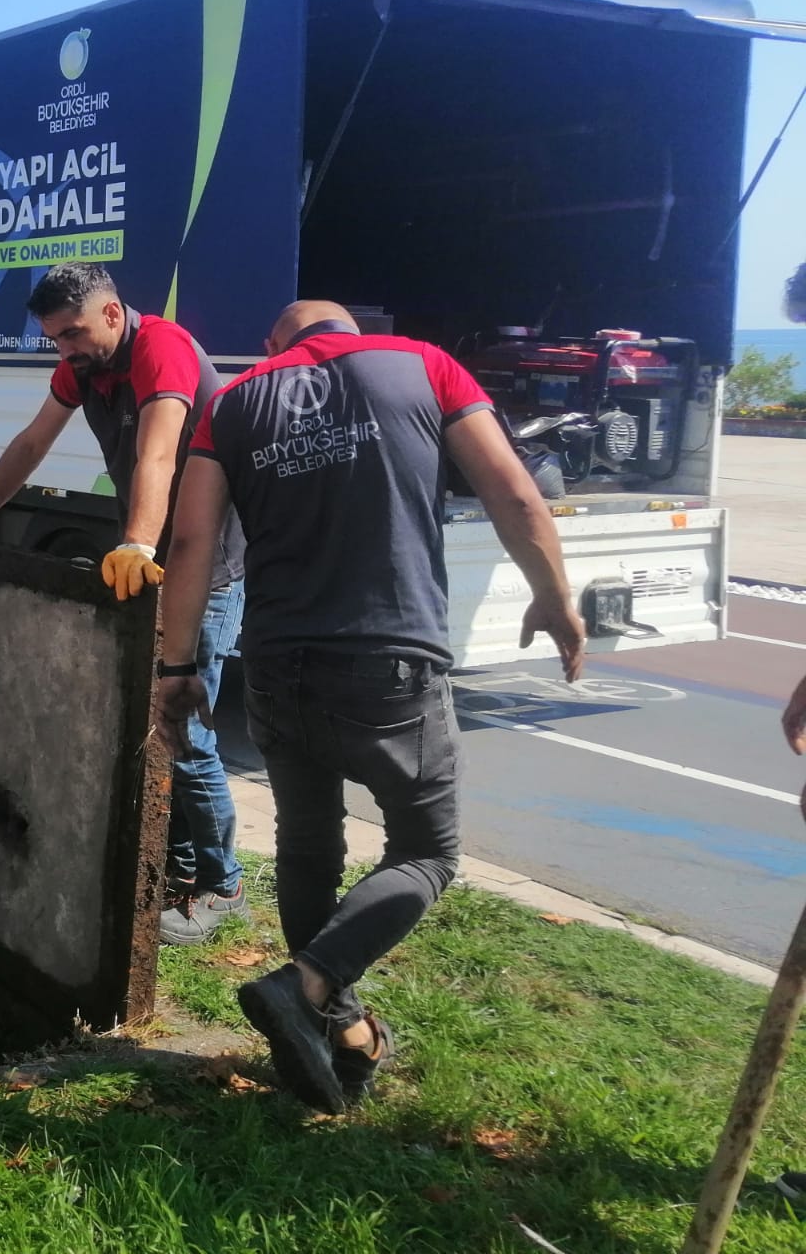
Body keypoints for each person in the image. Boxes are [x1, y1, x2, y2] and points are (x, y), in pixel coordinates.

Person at [156, 299, 585, 1113]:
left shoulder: (234, 402)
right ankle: (310, 985)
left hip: (278, 664)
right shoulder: (423, 364)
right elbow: (516, 496)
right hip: (388, 663)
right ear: (349, 334)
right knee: (428, 851)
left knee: (308, 847)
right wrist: (553, 597)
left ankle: (342, 1041)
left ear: (278, 345)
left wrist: (176, 664)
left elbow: (192, 541)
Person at [0, 262, 249, 945]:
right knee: (153, 725)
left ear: (114, 314)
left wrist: (137, 544)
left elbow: (158, 455)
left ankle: (224, 884)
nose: (64, 349)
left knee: (184, 731)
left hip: (202, 565)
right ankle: (178, 865)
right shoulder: (85, 368)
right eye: (54, 338)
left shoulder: (164, 349)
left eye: (73, 333)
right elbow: (35, 440)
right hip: (154, 558)